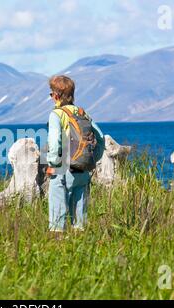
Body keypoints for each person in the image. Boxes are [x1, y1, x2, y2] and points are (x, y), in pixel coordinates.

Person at [47, 75, 105, 237]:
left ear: (57, 95)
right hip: (83, 170)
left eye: (51, 94)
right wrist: (93, 158)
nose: (51, 97)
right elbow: (100, 138)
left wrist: (53, 162)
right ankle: (80, 246)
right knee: (80, 221)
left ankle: (58, 247)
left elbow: (54, 142)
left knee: (57, 221)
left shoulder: (56, 115)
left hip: (62, 171)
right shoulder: (82, 113)